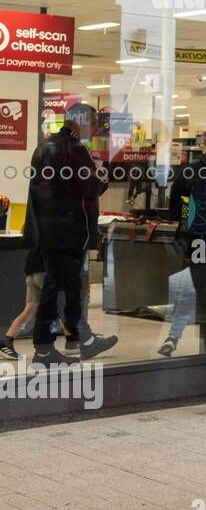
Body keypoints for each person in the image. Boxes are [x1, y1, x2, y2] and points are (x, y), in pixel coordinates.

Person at [24, 114, 118, 366]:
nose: (97, 129)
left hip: (48, 230)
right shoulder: (75, 150)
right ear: (80, 121)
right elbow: (89, 190)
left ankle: (78, 340)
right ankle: (47, 348)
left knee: (62, 288)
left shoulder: (44, 147)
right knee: (63, 289)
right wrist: (101, 179)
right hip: (70, 232)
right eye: (95, 124)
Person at [160, 128, 206, 356]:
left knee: (187, 290)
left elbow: (179, 208)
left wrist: (186, 227)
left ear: (205, 147)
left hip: (193, 241)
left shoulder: (189, 172)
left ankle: (173, 337)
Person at [0, 248, 72, 360]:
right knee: (58, 306)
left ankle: (7, 342)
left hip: (32, 268)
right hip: (45, 268)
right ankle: (73, 341)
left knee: (30, 309)